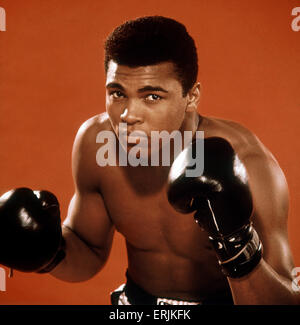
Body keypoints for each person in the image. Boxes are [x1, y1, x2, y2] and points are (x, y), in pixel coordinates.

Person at [0, 16, 299, 305]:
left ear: (191, 96)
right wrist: (44, 253)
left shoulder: (246, 160)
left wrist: (236, 245)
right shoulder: (95, 143)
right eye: (117, 93)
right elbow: (87, 252)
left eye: (152, 96)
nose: (129, 115)